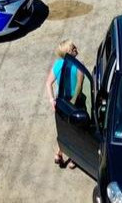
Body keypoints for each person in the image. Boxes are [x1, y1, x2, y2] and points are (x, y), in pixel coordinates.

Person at [45, 39, 85, 169]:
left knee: (64, 130)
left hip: (61, 103)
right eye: (73, 48)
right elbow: (79, 86)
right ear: (68, 52)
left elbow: (48, 83)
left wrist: (52, 100)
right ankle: (73, 159)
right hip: (74, 104)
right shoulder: (78, 65)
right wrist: (73, 104)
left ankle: (58, 154)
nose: (76, 48)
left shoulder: (57, 64)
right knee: (76, 131)